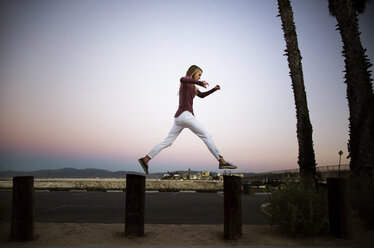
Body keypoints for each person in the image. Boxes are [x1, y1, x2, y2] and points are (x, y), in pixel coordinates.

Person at [138, 65, 237, 175]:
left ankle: (146, 159)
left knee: (167, 141)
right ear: (193, 72)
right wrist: (200, 83)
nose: (199, 77)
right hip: (185, 115)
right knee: (207, 136)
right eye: (199, 75)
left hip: (179, 118)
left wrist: (213, 89)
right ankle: (221, 161)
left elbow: (202, 95)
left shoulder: (193, 86)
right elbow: (182, 78)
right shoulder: (185, 82)